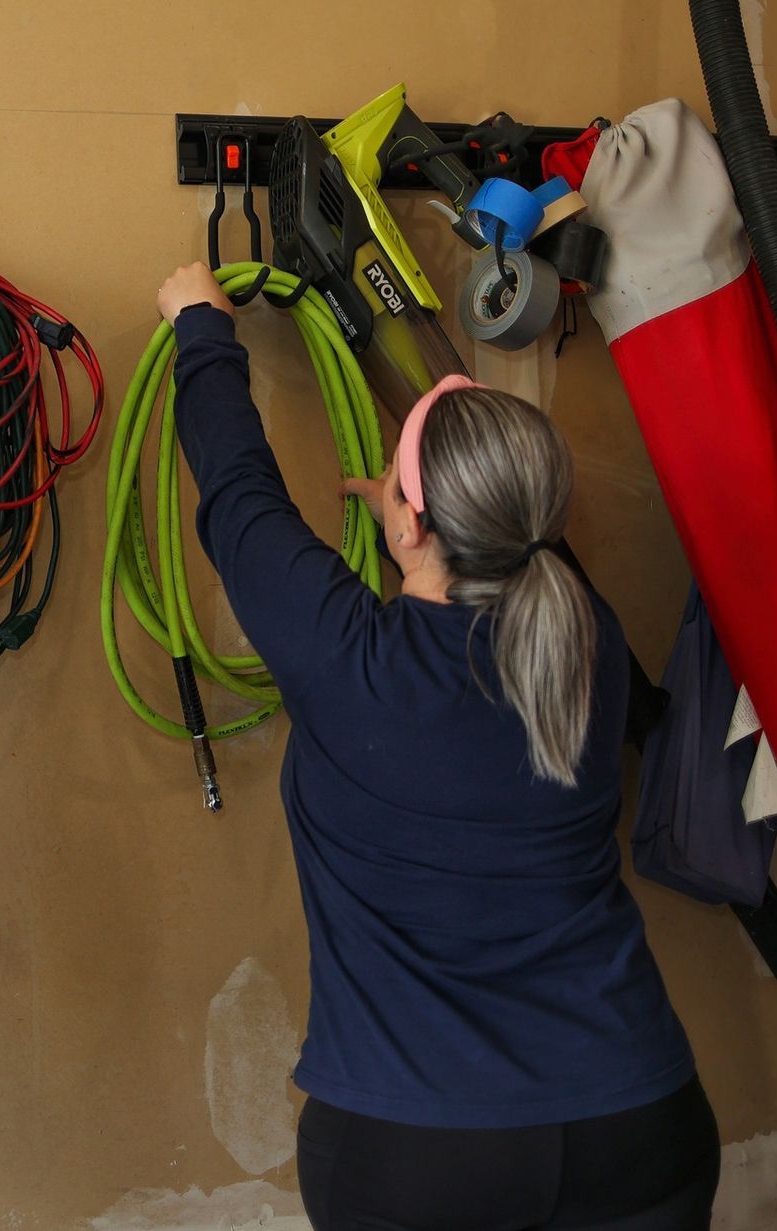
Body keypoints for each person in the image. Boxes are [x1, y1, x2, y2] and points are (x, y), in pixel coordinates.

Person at [157, 262, 718, 1231]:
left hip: (418, 1158)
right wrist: (405, 517)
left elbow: (240, 497)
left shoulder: (347, 660)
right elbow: (471, 620)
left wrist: (201, 329)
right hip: (637, 1125)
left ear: (410, 520)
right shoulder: (588, 644)